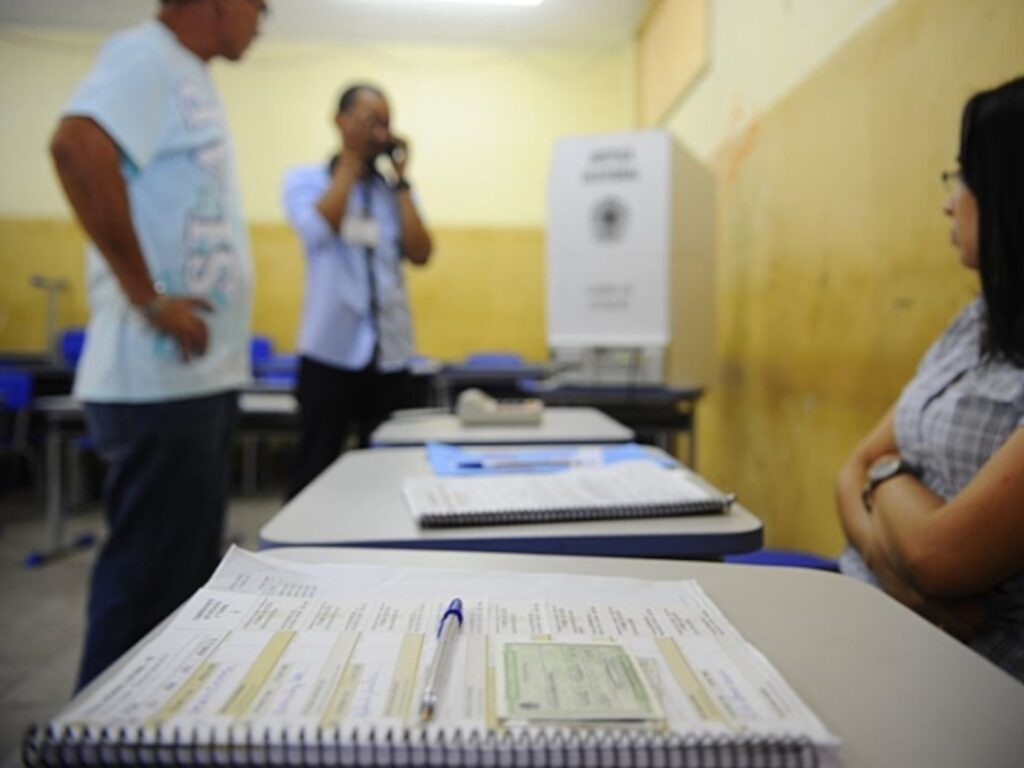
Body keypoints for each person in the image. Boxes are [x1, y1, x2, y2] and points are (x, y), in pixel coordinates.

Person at [48, 0, 265, 689]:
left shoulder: (189, 73)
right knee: (145, 586)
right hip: (156, 380)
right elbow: (76, 146)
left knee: (181, 589)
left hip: (193, 379)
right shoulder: (146, 55)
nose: (262, 19)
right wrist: (147, 296)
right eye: (259, 5)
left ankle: (157, 726)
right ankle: (101, 739)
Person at [835, 76, 1024, 683]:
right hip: (876, 612)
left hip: (971, 680)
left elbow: (940, 556)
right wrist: (899, 578)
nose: (949, 201)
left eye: (963, 176)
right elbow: (849, 469)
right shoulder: (975, 323)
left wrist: (886, 476)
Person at [283, 84, 432, 498]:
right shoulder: (305, 180)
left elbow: (421, 252)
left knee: (389, 472)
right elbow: (316, 228)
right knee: (315, 467)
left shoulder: (392, 193)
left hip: (390, 354)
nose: (378, 133)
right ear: (340, 121)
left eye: (385, 123)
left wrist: (401, 181)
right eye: (368, 121)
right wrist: (349, 161)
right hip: (330, 351)